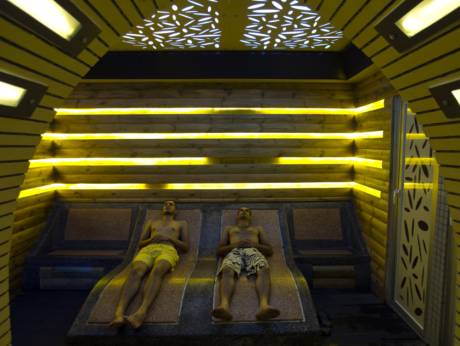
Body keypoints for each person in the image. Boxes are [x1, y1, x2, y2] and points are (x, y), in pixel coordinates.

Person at [110, 200, 189, 329]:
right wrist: (151, 240)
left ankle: (141, 312)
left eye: (171, 204)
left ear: (176, 210)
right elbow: (140, 243)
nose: (167, 205)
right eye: (165, 204)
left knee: (158, 270)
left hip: (168, 249)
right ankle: (119, 314)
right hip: (148, 249)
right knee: (136, 271)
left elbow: (186, 246)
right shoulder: (152, 222)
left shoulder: (181, 224)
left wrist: (170, 239)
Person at [213, 207, 280, 321]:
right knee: (227, 269)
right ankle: (224, 306)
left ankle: (264, 306)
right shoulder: (229, 229)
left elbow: (269, 250)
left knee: (263, 268)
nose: (244, 212)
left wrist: (254, 245)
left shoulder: (257, 229)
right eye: (241, 210)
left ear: (250, 215)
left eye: (247, 211)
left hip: (253, 251)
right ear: (237, 215)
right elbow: (219, 251)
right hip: (234, 251)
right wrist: (234, 245)